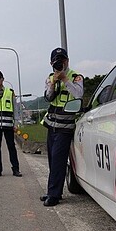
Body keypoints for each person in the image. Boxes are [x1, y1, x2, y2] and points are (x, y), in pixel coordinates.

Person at [41, 48, 83, 206]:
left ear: (67, 60)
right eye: (57, 61)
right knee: (52, 161)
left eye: (63, 60)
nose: (60, 63)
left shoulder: (75, 77)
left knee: (59, 161)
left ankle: (54, 194)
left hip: (65, 127)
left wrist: (65, 79)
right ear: (51, 63)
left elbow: (78, 94)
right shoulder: (50, 78)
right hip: (51, 126)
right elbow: (48, 97)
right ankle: (52, 192)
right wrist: (53, 83)